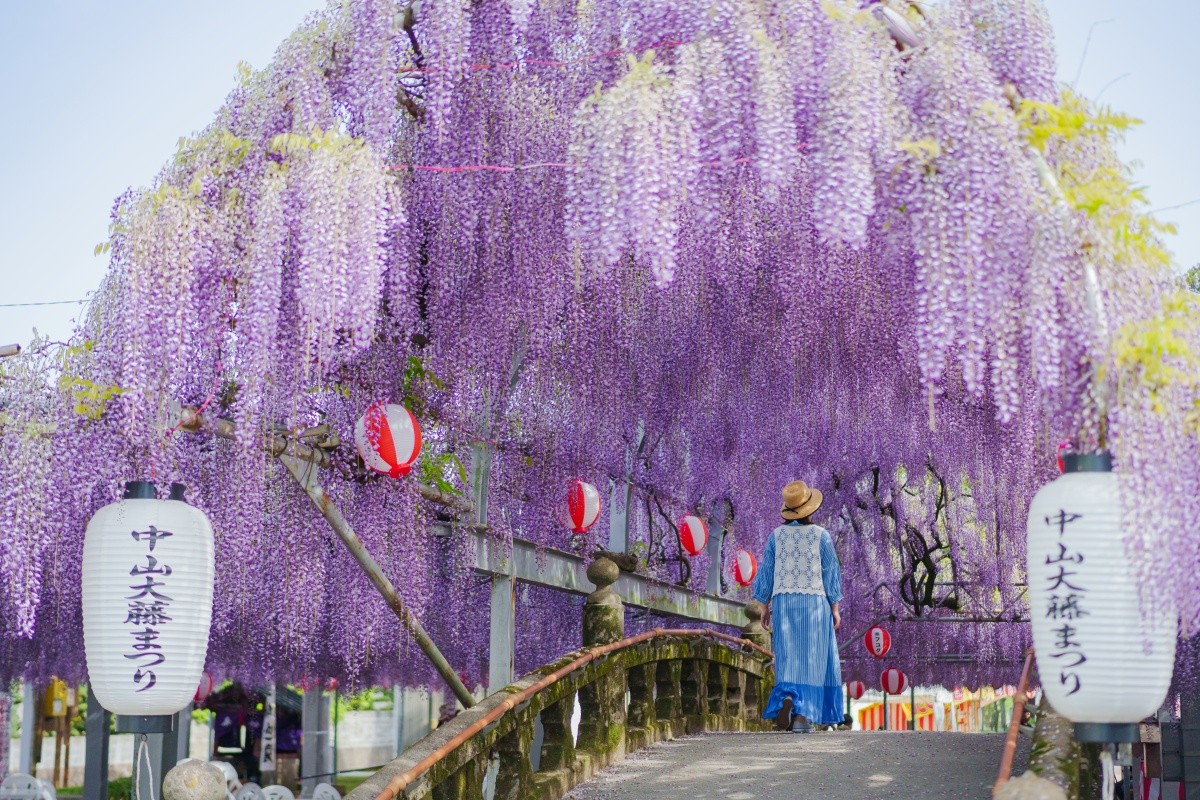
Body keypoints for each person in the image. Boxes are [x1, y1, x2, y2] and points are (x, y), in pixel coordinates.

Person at [752, 479, 844, 732]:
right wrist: (834, 608)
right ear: (810, 509)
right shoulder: (821, 536)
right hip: (815, 602)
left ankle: (789, 697)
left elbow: (767, 571)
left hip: (784, 602)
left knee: (789, 655)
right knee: (813, 657)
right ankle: (804, 716)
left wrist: (764, 606)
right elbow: (830, 572)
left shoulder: (776, 536)